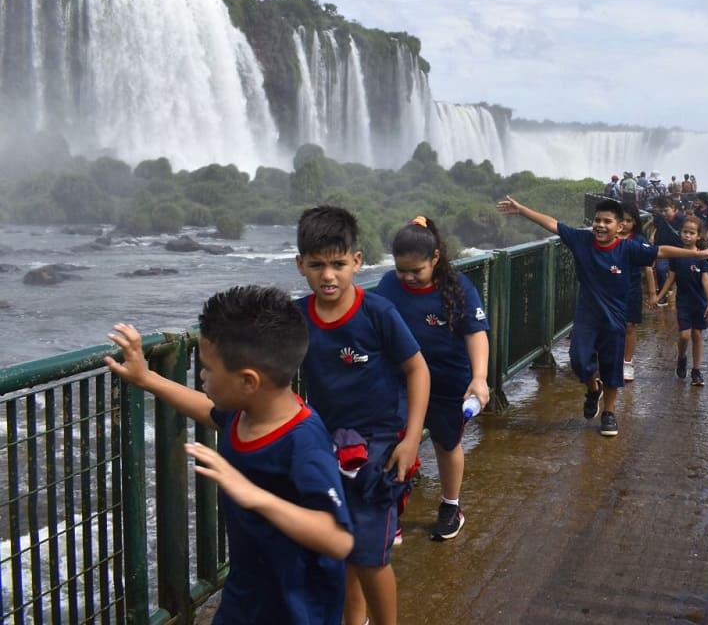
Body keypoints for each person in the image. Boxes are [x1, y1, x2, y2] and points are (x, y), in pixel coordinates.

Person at [104, 286, 354, 624]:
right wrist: (146, 378)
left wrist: (256, 497)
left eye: (207, 368)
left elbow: (338, 540)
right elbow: (209, 410)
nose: (201, 377)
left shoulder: (304, 444)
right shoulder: (248, 413)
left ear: (248, 381)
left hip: (298, 607)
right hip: (247, 595)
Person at [294, 205, 430, 625]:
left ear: (357, 261)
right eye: (317, 265)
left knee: (370, 555)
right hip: (326, 445)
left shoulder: (377, 313)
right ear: (300, 265)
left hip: (380, 448)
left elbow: (417, 369)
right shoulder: (297, 317)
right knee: (341, 547)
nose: (328, 275)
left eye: (338, 264)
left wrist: (410, 441)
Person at [496, 195, 708, 437]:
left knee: (611, 366)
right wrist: (521, 209)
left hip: (615, 317)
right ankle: (593, 389)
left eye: (607, 221)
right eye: (597, 220)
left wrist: (697, 255)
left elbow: (660, 251)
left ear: (619, 227)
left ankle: (609, 413)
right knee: (579, 361)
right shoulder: (582, 240)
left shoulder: (628, 248)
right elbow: (552, 224)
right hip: (587, 316)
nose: (600, 226)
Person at [374, 216, 489, 543]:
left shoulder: (458, 287)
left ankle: (451, 505)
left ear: (435, 258)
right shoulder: (387, 284)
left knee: (446, 442)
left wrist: (479, 378)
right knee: (393, 442)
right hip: (400, 381)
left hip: (448, 381)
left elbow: (476, 334)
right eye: (401, 270)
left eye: (416, 271)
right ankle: (390, 510)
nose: (407, 278)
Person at [654, 215, 708, 387]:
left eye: (691, 233)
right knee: (684, 335)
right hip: (683, 302)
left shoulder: (702, 256)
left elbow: (706, 280)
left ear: (698, 236)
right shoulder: (676, 255)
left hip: (700, 302)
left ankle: (696, 370)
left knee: (697, 334)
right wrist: (659, 296)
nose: (687, 236)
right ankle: (681, 357)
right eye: (685, 232)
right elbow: (671, 278)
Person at [618, 203, 658, 382]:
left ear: (635, 222)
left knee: (629, 326)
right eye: (621, 220)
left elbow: (648, 268)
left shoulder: (638, 240)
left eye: (629, 220)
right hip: (610, 288)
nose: (625, 224)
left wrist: (652, 293)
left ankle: (627, 362)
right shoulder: (609, 237)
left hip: (632, 288)